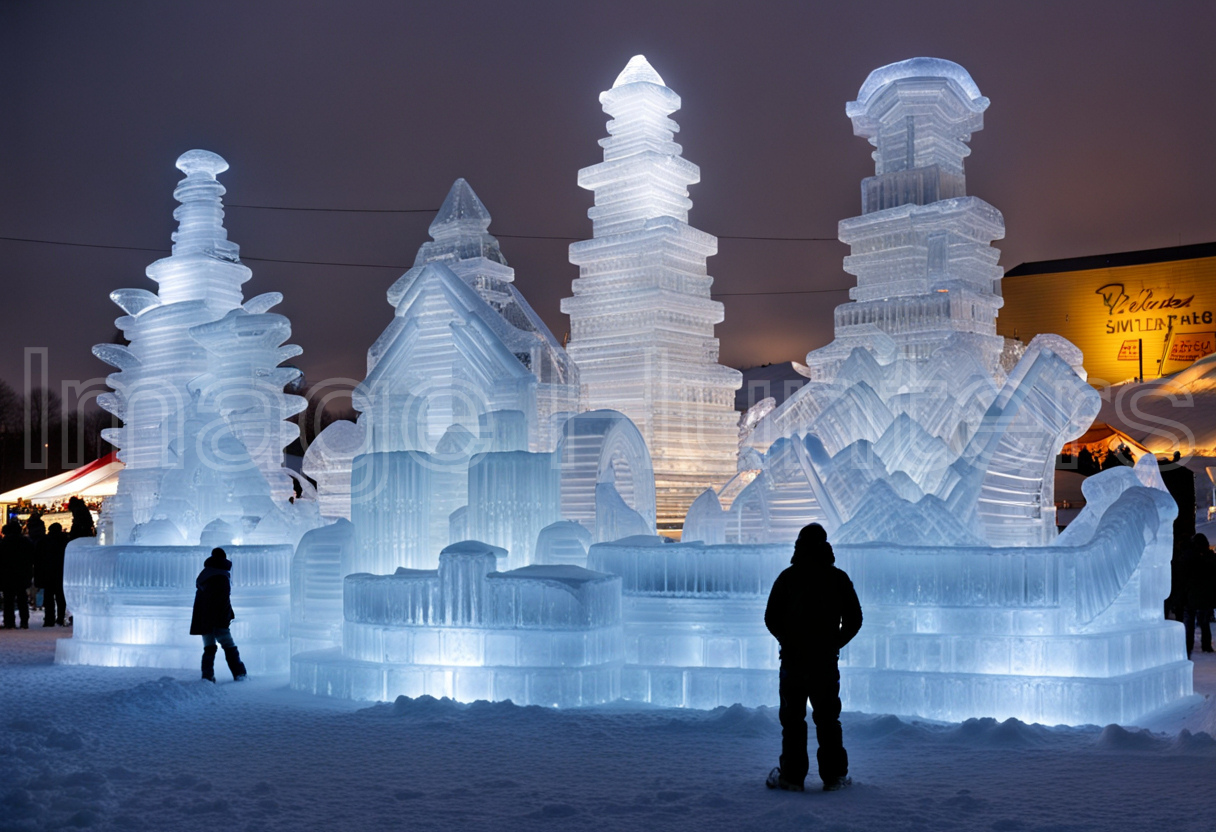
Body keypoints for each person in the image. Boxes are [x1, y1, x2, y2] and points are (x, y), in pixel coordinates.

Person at [764, 523, 862, 793]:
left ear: (799, 546)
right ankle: (834, 777)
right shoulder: (838, 578)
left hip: (793, 662)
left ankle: (792, 777)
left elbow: (770, 618)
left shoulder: (787, 577)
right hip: (825, 663)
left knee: (793, 720)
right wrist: (834, 644)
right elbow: (855, 620)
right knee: (828, 720)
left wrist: (787, 640)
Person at [189, 547, 247, 682]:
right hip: (219, 619)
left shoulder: (205, 575)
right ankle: (239, 674)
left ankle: (207, 676)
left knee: (209, 647)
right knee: (229, 645)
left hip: (205, 619)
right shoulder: (221, 577)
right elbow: (223, 601)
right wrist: (227, 617)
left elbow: (203, 601)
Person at [1182, 533, 1216, 657]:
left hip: (1191, 594)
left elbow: (1183, 575)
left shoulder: (1189, 557)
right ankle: (1206, 646)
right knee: (1204, 622)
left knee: (1190, 623)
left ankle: (1188, 647)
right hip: (1206, 596)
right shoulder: (1210, 558)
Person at [1, 520, 35, 629]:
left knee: (8, 600)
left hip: (7, 574)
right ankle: (24, 620)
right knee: (22, 598)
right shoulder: (26, 542)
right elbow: (32, 557)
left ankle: (9, 621)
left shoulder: (4, 542)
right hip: (23, 573)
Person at [42, 523, 70, 627]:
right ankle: (60, 618)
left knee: (49, 597)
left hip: (48, 572)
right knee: (61, 597)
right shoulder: (66, 541)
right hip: (62, 572)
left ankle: (49, 619)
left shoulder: (45, 541)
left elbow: (39, 558)